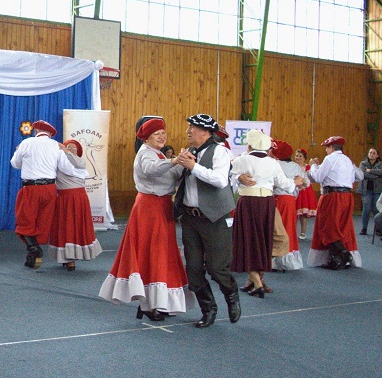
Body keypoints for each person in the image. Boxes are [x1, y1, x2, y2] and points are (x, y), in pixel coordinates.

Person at [100, 116, 192, 320]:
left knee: (161, 253)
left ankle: (155, 302)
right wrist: (175, 161)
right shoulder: (146, 155)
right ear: (146, 138)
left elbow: (171, 176)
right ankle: (148, 303)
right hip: (150, 209)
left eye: (163, 133)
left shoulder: (157, 154)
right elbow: (152, 171)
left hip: (161, 207)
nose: (162, 136)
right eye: (157, 134)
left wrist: (184, 162)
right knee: (152, 253)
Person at [173, 113, 241, 329]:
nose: (187, 132)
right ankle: (208, 309)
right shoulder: (191, 152)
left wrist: (193, 167)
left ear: (204, 131)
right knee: (192, 269)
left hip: (214, 218)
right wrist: (178, 164)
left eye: (191, 128)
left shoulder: (220, 151)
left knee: (216, 267)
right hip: (191, 218)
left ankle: (231, 294)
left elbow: (220, 181)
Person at [230, 130, 302, 297]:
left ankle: (255, 281)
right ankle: (255, 281)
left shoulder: (242, 160)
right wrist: (296, 183)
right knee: (264, 240)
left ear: (249, 146)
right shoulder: (273, 163)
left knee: (248, 240)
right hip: (267, 202)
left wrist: (239, 177)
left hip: (248, 201)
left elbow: (227, 176)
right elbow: (284, 183)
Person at [10, 119, 81, 269]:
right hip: (49, 188)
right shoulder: (56, 146)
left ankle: (34, 249)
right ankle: (33, 254)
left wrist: (22, 155)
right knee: (43, 222)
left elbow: (15, 164)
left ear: (36, 131)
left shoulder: (27, 143)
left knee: (25, 220)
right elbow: (67, 169)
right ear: (50, 134)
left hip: (30, 188)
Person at [306, 136, 363, 269]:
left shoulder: (330, 159)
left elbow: (318, 177)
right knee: (341, 227)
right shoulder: (347, 160)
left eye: (326, 148)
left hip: (332, 196)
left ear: (330, 148)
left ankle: (343, 254)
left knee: (327, 227)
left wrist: (313, 166)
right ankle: (337, 258)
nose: (326, 151)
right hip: (348, 196)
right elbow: (360, 176)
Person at [49, 139, 103, 271]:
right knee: (66, 228)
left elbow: (77, 162)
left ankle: (73, 256)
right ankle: (67, 258)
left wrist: (67, 151)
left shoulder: (80, 162)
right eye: (69, 147)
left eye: (74, 148)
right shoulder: (57, 162)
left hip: (79, 199)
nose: (71, 150)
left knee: (77, 227)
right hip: (64, 200)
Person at [271, 140, 304, 272]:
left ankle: (273, 258)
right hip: (290, 200)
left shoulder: (275, 164)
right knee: (289, 228)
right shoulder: (296, 166)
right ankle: (287, 259)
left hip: (276, 199)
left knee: (275, 229)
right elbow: (303, 183)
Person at [357, 148, 382, 236]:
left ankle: (377, 228)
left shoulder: (381, 164)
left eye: (374, 153)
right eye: (370, 153)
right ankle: (364, 228)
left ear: (377, 155)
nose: (372, 154)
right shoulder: (363, 163)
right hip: (366, 190)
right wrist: (375, 176)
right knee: (366, 209)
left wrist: (370, 171)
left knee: (376, 209)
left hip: (378, 190)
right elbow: (362, 174)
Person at [294, 148, 317, 240]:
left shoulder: (308, 167)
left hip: (306, 192)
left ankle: (303, 232)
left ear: (304, 158)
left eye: (300, 156)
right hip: (295, 190)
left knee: (304, 213)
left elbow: (312, 178)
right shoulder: (293, 166)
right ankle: (293, 232)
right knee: (294, 212)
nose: (298, 158)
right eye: (296, 156)